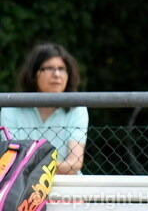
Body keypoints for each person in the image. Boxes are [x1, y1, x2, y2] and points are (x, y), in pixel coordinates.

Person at [1, 43, 88, 174]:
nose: (57, 74)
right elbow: (12, 160)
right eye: (49, 68)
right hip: (21, 185)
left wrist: (33, 165)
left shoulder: (77, 109)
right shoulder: (11, 108)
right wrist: (50, 166)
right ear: (34, 73)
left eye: (62, 69)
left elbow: (74, 164)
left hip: (68, 185)